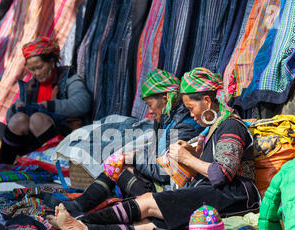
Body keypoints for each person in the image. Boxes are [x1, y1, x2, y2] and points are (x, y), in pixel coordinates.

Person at [50, 67, 261, 230]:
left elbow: (220, 174)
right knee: (148, 225)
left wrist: (187, 158)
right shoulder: (212, 129)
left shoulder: (231, 126)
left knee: (149, 202)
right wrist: (188, 156)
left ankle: (80, 221)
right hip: (213, 192)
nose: (191, 114)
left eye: (191, 107)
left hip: (234, 196)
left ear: (206, 102)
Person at [45, 69, 203, 216]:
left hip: (171, 193)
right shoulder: (166, 119)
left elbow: (166, 172)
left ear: (164, 99)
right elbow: (156, 155)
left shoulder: (184, 125)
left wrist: (132, 159)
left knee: (120, 166)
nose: (149, 111)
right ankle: (81, 205)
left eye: (150, 105)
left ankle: (82, 206)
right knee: (119, 162)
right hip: (161, 183)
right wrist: (133, 156)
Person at [0, 37, 92, 164]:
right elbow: (10, 120)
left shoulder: (69, 79)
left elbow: (83, 103)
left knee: (37, 119)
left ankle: (56, 164)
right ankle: (3, 164)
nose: (36, 73)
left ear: (52, 62)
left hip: (65, 139)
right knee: (18, 119)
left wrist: (50, 106)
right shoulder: (31, 87)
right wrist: (15, 108)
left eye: (40, 67)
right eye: (32, 69)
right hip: (33, 142)